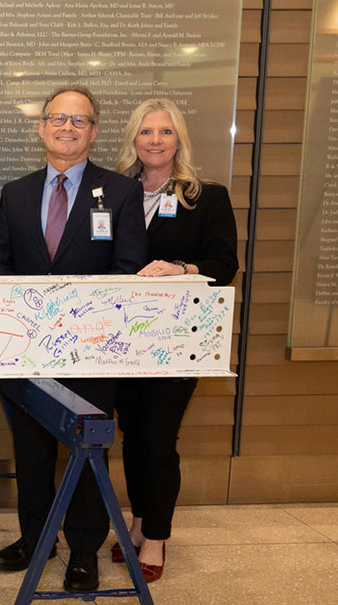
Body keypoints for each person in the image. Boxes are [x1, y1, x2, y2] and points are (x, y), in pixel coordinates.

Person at [0, 85, 147, 592]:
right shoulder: (16, 192)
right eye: (58, 118)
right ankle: (35, 539)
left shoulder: (119, 192)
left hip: (93, 353)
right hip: (28, 354)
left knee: (87, 452)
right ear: (42, 128)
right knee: (31, 453)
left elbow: (128, 272)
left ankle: (82, 549)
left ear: (94, 131)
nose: (67, 128)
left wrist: (78, 329)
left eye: (79, 121)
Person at [112, 98, 238, 582]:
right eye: (146, 132)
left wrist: (181, 269)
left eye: (165, 131)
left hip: (175, 340)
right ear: (134, 140)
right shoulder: (114, 192)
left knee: (160, 439)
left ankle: (157, 536)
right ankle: (140, 521)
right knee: (133, 435)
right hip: (122, 342)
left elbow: (224, 265)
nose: (156, 140)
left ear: (179, 139)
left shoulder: (205, 196)